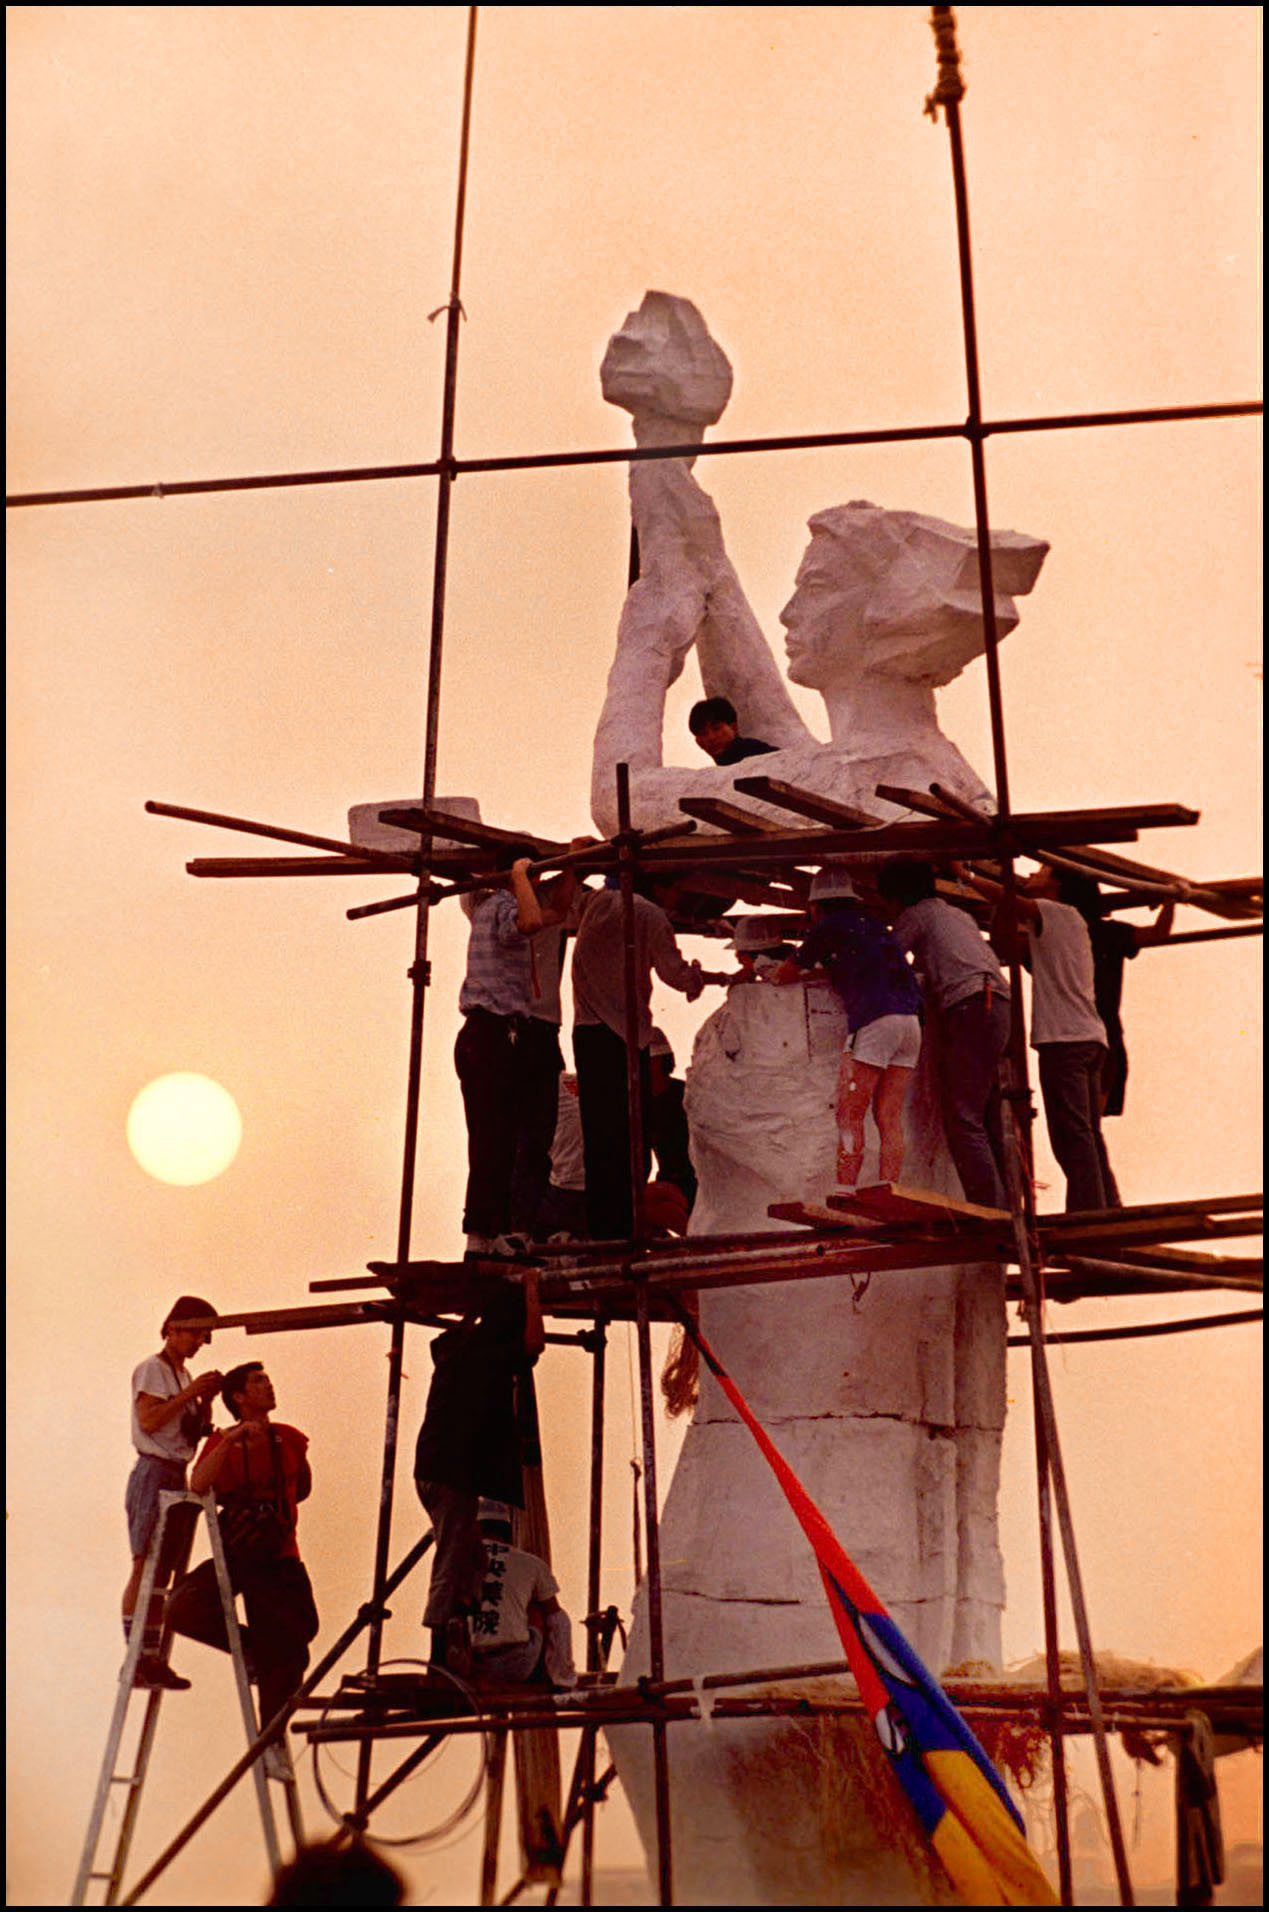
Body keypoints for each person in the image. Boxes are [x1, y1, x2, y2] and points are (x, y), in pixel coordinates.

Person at [167, 1363, 319, 1759]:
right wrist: (232, 1439)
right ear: (238, 1396)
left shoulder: (288, 1439)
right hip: (238, 1556)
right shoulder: (222, 1442)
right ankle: (253, 1652)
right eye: (258, 1381)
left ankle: (270, 1737)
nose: (269, 1386)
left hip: (281, 1559)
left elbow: (301, 1488)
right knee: (181, 1607)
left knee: (296, 1640)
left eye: (268, 1379)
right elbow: (198, 1485)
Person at [962, 863, 1118, 1212]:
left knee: (1072, 1136)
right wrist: (1001, 904)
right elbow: (1006, 945)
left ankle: (1089, 1213)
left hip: (1066, 1039)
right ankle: (1106, 1206)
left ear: (1058, 884)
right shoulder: (1061, 924)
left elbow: (1012, 898)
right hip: (1084, 1037)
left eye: (1041, 871)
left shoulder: (1058, 912)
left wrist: (967, 876)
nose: (1031, 874)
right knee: (1085, 1133)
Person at [571, 877, 720, 1240]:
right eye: (674, 887)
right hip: (623, 1034)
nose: (677, 893)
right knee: (630, 1138)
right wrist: (703, 978)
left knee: (600, 1137)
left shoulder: (595, 904)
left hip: (587, 1032)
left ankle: (605, 1231)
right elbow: (675, 974)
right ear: (659, 885)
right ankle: (626, 1231)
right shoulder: (648, 913)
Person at [412, 1277, 545, 1671]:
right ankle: (439, 1651)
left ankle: (458, 1638)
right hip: (452, 1474)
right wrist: (532, 1289)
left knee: (471, 1558)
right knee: (453, 1559)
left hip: (437, 1469)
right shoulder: (490, 1354)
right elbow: (534, 1344)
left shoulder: (458, 1348)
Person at [772, 868, 923, 1188]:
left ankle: (846, 1190)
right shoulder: (873, 926)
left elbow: (785, 974)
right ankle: (888, 1187)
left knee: (850, 1112)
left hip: (876, 1022)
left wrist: (768, 971)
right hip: (910, 1024)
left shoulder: (829, 926)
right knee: (888, 1114)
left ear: (817, 905)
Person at [877, 860, 1013, 1209]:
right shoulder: (955, 915)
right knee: (987, 1114)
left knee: (963, 1115)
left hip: (970, 1006)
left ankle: (988, 1210)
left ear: (896, 899)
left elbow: (884, 960)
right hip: (997, 1004)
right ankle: (1010, 1207)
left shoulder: (916, 915)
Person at [454, 845, 550, 1260]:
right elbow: (532, 920)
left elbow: (553, 911)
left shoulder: (484, 906)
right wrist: (520, 877)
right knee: (496, 1138)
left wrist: (571, 873)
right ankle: (484, 1230)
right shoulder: (504, 904)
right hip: (494, 1032)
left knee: (497, 1136)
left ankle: (488, 1230)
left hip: (484, 1033)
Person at [122, 1295, 221, 1690]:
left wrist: (204, 1400)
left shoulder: (180, 1376)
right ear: (174, 1329)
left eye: (204, 1336)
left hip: (177, 1471)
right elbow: (149, 1421)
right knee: (145, 1563)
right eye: (196, 1334)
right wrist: (189, 1393)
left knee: (163, 1570)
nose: (200, 1343)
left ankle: (151, 1656)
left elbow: (189, 1429)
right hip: (154, 1472)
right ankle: (136, 1656)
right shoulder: (153, 1370)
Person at [1058, 874, 1175, 1120]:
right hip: (1102, 1035)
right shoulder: (1104, 933)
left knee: (1084, 1124)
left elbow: (1157, 933)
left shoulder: (1082, 934)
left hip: (1091, 1037)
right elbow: (1158, 933)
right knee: (1087, 1126)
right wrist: (1169, 900)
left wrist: (1169, 900)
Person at [468, 1501, 578, 1689]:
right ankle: (556, 1676)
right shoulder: (531, 1563)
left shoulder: (458, 1560)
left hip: (473, 1666)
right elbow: (558, 1620)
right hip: (518, 1665)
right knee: (542, 1607)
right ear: (508, 1530)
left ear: (476, 1528)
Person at [687, 696, 776, 766]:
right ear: (699, 743)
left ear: (733, 727)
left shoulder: (753, 751)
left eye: (716, 728)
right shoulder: (723, 764)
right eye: (703, 734)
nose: (711, 737)